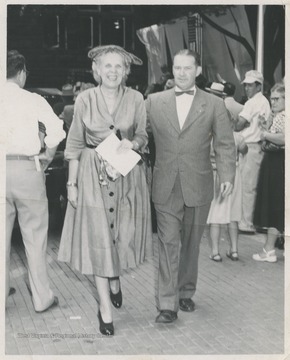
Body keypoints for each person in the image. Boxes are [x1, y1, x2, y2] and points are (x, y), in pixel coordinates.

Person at [58, 45, 152, 336]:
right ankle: (105, 309)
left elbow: (143, 135)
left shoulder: (136, 98)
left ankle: (115, 278)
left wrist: (133, 144)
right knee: (98, 239)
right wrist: (71, 185)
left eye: (118, 67)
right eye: (106, 66)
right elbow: (74, 144)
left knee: (121, 236)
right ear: (96, 71)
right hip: (91, 176)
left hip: (125, 175)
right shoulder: (85, 98)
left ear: (126, 72)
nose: (112, 71)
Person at [146, 49, 236, 324]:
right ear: (172, 70)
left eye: (187, 68)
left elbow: (224, 143)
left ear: (197, 71)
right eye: (177, 68)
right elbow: (140, 136)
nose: (181, 73)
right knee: (168, 243)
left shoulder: (213, 104)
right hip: (165, 184)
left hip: (198, 184)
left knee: (191, 245)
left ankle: (186, 290)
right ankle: (167, 305)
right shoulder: (153, 101)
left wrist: (227, 175)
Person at [4, 50, 66, 311]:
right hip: (27, 169)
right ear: (20, 73)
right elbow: (56, 131)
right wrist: (47, 155)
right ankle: (42, 298)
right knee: (35, 237)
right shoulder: (33, 99)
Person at [207, 116, 248, 262]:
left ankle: (215, 251)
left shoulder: (211, 139)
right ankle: (234, 250)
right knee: (233, 215)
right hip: (235, 175)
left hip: (217, 174)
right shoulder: (238, 137)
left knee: (215, 215)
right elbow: (245, 151)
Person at [235, 70, 271, 233]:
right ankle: (247, 220)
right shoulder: (263, 101)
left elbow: (239, 124)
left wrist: (239, 123)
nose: (247, 88)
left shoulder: (253, 102)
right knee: (250, 185)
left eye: (250, 85)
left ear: (258, 86)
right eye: (246, 85)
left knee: (247, 186)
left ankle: (246, 222)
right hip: (255, 146)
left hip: (250, 146)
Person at [253, 83, 285, 262]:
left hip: (277, 165)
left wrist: (265, 136)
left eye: (277, 99)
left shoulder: (284, 115)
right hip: (274, 163)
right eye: (272, 98)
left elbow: (283, 138)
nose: (273, 102)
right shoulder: (277, 115)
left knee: (275, 205)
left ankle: (269, 249)